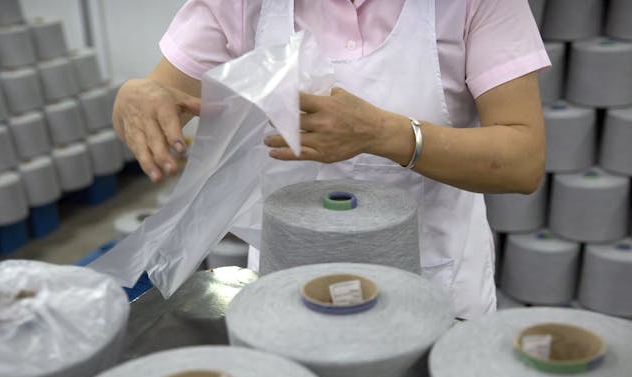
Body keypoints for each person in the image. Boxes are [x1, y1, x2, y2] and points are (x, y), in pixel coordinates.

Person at [112, 0, 550, 319]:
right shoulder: (241, 6)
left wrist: (383, 133)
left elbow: (522, 158)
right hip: (287, 284)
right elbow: (159, 94)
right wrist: (134, 98)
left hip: (435, 288)